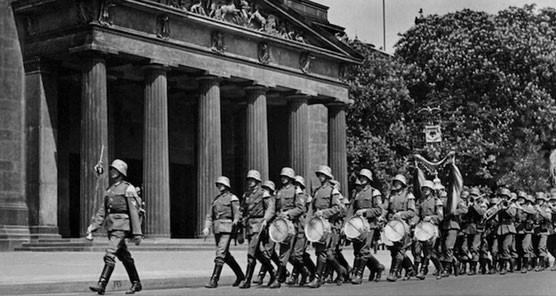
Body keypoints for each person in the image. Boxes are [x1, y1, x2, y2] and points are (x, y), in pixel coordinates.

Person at [87, 159, 143, 295]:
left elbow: (134, 212)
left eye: (114, 169)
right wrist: (93, 227)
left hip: (121, 226)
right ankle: (136, 283)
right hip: (111, 226)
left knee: (110, 252)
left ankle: (102, 284)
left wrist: (137, 233)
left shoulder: (127, 188)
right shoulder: (110, 190)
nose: (111, 171)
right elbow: (103, 210)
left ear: (121, 172)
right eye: (111, 169)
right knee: (124, 256)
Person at [306, 165, 347, 288]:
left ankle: (317, 278)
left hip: (328, 225)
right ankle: (340, 270)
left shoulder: (333, 191)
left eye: (323, 175)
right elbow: (311, 209)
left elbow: (337, 208)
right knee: (322, 253)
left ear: (328, 177)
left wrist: (323, 213)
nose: (321, 177)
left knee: (323, 252)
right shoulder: (317, 191)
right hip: (317, 225)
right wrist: (308, 223)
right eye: (319, 175)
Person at [203, 176, 245, 288]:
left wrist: (236, 221)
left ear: (227, 186)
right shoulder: (216, 200)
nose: (220, 186)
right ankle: (240, 275)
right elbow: (209, 215)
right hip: (217, 229)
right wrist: (207, 227)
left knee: (220, 253)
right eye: (219, 184)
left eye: (222, 184)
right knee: (226, 255)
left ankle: (214, 279)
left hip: (227, 228)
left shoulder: (232, 198)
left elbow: (237, 213)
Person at [269, 167, 306, 289]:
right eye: (282, 176)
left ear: (290, 178)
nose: (283, 178)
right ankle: (281, 278)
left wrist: (288, 213)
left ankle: (303, 273)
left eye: (286, 177)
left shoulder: (296, 190)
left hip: (295, 225)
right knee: (285, 253)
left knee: (294, 255)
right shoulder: (278, 192)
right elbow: (273, 208)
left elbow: (301, 208)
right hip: (283, 225)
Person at [238, 170, 276, 288]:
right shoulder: (247, 195)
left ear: (257, 181)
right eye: (249, 180)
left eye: (252, 180)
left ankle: (247, 280)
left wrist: (265, 219)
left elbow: (270, 208)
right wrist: (238, 220)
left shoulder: (263, 193)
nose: (250, 182)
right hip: (249, 225)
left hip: (259, 225)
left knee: (251, 252)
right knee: (258, 253)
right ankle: (273, 272)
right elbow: (241, 209)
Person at [345, 169, 384, 285]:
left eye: (364, 177)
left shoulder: (374, 192)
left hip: (369, 226)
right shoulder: (357, 193)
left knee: (363, 250)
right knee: (357, 251)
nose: (361, 179)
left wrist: (365, 211)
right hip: (357, 226)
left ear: (368, 179)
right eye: (360, 177)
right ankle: (377, 267)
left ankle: (358, 274)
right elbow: (351, 209)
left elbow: (379, 210)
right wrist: (346, 224)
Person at [383, 174, 416, 282]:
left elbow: (412, 212)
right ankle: (410, 268)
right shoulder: (390, 195)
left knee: (400, 250)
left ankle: (394, 272)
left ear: (403, 184)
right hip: (392, 224)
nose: (396, 184)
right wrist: (381, 216)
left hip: (403, 225)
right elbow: (385, 208)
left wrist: (401, 214)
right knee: (394, 250)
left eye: (398, 182)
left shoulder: (408, 196)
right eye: (395, 182)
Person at [414, 180, 444, 280]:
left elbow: (440, 216)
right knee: (424, 250)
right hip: (422, 227)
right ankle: (440, 269)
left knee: (429, 249)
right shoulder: (419, 201)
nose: (425, 190)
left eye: (427, 189)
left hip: (432, 227)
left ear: (431, 190)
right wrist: (413, 222)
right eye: (424, 189)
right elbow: (417, 215)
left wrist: (431, 217)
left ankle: (423, 270)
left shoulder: (437, 201)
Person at [460, 187, 488, 275]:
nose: (473, 197)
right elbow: (463, 216)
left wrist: (475, 205)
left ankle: (474, 268)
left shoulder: (482, 203)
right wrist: (468, 207)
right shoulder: (468, 204)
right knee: (465, 248)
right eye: (472, 195)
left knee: (475, 248)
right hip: (468, 227)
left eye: (475, 195)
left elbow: (482, 213)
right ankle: (466, 266)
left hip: (478, 228)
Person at [495, 188, 517, 275]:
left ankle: (503, 267)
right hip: (500, 228)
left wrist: (506, 207)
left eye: (504, 196)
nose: (503, 198)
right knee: (500, 248)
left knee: (505, 247)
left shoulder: (512, 205)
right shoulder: (498, 205)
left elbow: (513, 214)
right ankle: (511, 262)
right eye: (501, 196)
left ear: (508, 197)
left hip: (508, 228)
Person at [532, 192, 552, 272]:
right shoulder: (535, 207)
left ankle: (541, 264)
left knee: (541, 247)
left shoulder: (546, 208)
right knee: (536, 247)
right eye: (538, 200)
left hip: (544, 229)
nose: (539, 201)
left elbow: (548, 218)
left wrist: (540, 211)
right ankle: (545, 260)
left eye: (540, 199)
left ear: (543, 200)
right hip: (536, 230)